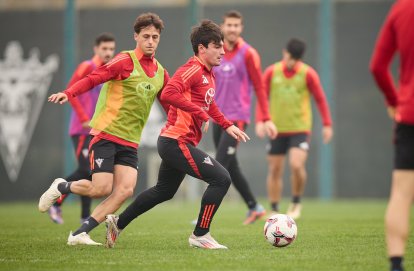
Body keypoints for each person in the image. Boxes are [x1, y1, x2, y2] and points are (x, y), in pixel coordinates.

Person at [104, 20, 250, 250]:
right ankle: (200, 234)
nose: (223, 51)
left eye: (223, 46)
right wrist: (197, 112)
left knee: (164, 191)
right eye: (217, 46)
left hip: (175, 141)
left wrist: (226, 124)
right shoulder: (192, 69)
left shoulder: (209, 74)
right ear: (202, 48)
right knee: (221, 178)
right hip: (175, 141)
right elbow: (170, 92)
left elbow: (209, 105)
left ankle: (118, 222)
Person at [38, 12, 170, 245]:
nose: (151, 41)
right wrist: (68, 93)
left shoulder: (160, 73)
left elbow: (171, 103)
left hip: (130, 141)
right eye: (146, 36)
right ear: (136, 37)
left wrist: (186, 121)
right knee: (101, 188)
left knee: (125, 190)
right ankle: (61, 186)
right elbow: (94, 78)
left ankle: (79, 233)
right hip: (106, 134)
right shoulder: (124, 60)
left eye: (155, 37)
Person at [212, 10, 277, 225]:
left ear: (241, 28)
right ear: (222, 26)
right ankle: (254, 206)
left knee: (219, 165)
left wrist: (265, 117)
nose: (232, 29)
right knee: (230, 166)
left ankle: (206, 213)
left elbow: (259, 85)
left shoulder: (249, 53)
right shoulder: (215, 51)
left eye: (236, 25)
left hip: (237, 118)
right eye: (229, 25)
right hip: (217, 117)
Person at [256, 38, 333, 219]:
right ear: (285, 53)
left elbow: (320, 99)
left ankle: (296, 202)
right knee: (275, 169)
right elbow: (262, 97)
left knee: (296, 165)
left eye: (296, 59)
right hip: (276, 129)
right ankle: (274, 209)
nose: (292, 62)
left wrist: (327, 124)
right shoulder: (271, 72)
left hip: (300, 128)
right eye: (290, 57)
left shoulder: (308, 74)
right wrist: (261, 120)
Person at [48, 33, 116, 225]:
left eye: (111, 49)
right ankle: (56, 200)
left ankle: (84, 216)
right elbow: (71, 90)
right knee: (86, 169)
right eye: (104, 49)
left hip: (96, 130)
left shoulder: (108, 71)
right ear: (96, 49)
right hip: (81, 130)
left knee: (91, 173)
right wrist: (85, 118)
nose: (108, 52)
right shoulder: (88, 66)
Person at [370, 1, 414, 271]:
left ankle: (396, 268)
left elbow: (377, 66)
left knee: (400, 193)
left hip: (409, 113)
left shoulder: (403, 8)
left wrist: (394, 100)